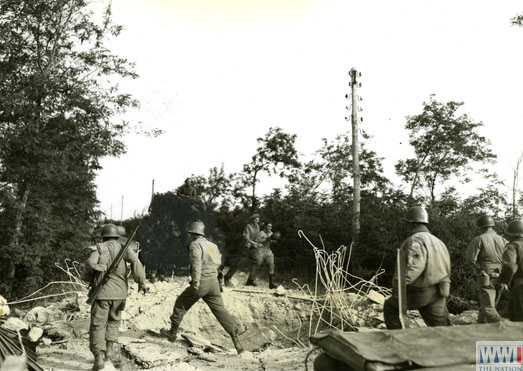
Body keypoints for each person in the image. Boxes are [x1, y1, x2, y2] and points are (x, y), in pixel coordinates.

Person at [160, 221, 244, 354]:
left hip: (202, 282)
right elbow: (218, 262)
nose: (190, 236)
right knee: (220, 311)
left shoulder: (195, 245)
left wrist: (196, 281)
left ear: (193, 234)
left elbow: (196, 263)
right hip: (214, 283)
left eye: (190, 234)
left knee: (181, 303)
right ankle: (237, 342)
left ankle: (172, 333)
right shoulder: (212, 246)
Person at [86, 223, 147, 371]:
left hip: (102, 294)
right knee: (114, 321)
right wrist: (142, 282)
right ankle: (110, 350)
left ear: (104, 236)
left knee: (98, 325)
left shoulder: (99, 248)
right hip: (120, 294)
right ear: (116, 236)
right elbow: (136, 262)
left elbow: (89, 265)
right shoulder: (123, 248)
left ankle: (99, 358)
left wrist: (93, 276)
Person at [383, 206, 452, 329]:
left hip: (420, 292)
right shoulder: (438, 242)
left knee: (390, 306)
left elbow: (414, 267)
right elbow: (447, 267)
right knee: (443, 328)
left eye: (407, 224)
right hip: (438, 292)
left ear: (412, 224)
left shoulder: (416, 240)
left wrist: (398, 285)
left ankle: (400, 341)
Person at [464, 215, 507, 323]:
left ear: (481, 227)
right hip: (502, 275)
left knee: (488, 306)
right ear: (492, 226)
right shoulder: (503, 240)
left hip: (486, 276)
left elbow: (470, 259)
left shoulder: (479, 239)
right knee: (491, 305)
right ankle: (481, 325)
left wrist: (479, 270)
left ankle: (501, 326)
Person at [224, 213, 261, 286]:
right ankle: (227, 277)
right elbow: (246, 238)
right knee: (238, 263)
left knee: (256, 262)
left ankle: (250, 280)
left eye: (258, 219)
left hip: (252, 248)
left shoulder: (257, 227)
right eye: (256, 219)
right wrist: (254, 243)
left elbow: (257, 237)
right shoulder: (248, 226)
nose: (257, 221)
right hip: (245, 247)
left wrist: (258, 243)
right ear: (252, 219)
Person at [498, 220, 523, 321]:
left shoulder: (512, 246)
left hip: (520, 286)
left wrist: (503, 280)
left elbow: (511, 267)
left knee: (519, 319)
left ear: (510, 234)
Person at [252, 223, 278, 289]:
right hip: (261, 249)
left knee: (271, 265)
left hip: (268, 249)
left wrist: (274, 240)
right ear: (265, 226)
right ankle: (251, 280)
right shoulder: (261, 233)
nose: (270, 227)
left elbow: (271, 241)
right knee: (257, 264)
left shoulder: (271, 233)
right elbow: (258, 240)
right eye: (268, 226)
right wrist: (267, 239)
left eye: (271, 226)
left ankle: (271, 283)